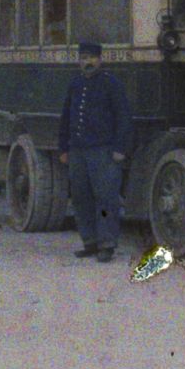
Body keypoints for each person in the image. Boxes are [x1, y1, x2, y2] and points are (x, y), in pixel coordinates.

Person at [58, 40, 132, 263]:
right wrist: (64, 147)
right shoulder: (76, 84)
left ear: (100, 59)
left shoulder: (111, 84)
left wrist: (120, 148)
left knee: (106, 198)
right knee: (81, 197)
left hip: (103, 150)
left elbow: (124, 117)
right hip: (78, 150)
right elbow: (66, 117)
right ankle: (89, 241)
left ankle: (107, 244)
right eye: (83, 58)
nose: (86, 63)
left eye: (90, 58)